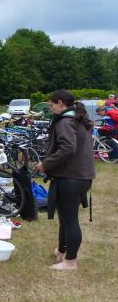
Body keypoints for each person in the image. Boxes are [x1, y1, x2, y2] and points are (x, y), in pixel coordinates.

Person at [35, 90, 96, 271]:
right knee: (65, 218)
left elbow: (68, 148)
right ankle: (62, 252)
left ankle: (70, 261)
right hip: (80, 176)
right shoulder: (77, 118)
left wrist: (46, 164)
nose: (51, 108)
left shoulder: (65, 121)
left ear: (60, 103)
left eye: (51, 105)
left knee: (70, 220)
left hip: (72, 177)